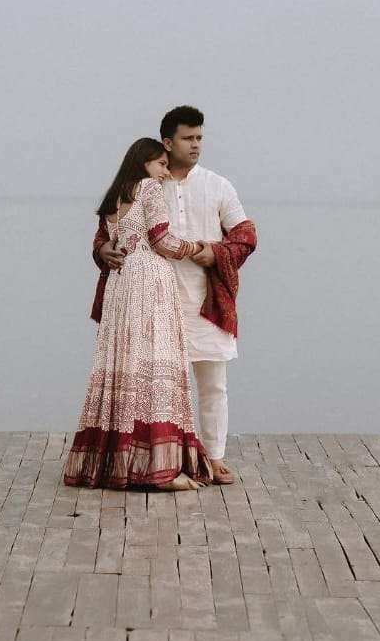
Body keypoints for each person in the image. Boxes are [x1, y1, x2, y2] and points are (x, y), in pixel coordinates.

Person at [91, 106, 257, 485]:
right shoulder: (149, 180)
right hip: (151, 303)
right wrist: (104, 250)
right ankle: (159, 460)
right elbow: (108, 233)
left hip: (204, 301)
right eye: (188, 138)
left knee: (213, 383)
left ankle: (214, 456)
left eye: (200, 138)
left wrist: (214, 252)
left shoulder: (218, 186)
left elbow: (246, 236)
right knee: (154, 389)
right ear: (168, 142)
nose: (196, 145)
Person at [64, 138, 214, 491]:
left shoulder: (115, 196)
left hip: (120, 284)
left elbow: (107, 241)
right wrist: (199, 249)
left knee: (124, 368)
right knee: (155, 368)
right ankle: (158, 469)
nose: (165, 172)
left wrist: (107, 249)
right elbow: (162, 241)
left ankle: (115, 464)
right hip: (149, 281)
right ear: (143, 162)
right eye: (160, 164)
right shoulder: (149, 188)